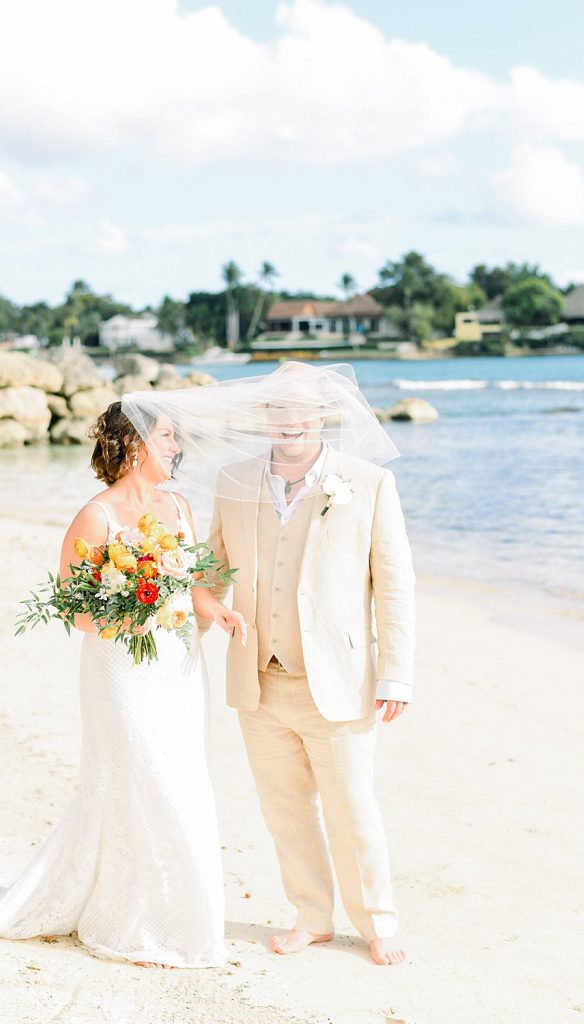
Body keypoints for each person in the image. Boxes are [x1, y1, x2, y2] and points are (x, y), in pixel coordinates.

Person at [122, 363, 416, 967]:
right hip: (258, 678)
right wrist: (166, 634)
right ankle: (312, 917)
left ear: (323, 415)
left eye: (300, 410)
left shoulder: (367, 483)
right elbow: (209, 572)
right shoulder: (233, 480)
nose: (289, 421)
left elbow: (393, 586)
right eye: (277, 410)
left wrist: (396, 673)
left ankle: (378, 921)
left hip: (340, 682)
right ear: (263, 417)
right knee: (284, 809)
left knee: (352, 808)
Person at [0, 402, 244, 969]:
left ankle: (176, 914)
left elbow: (190, 584)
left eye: (177, 438)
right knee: (144, 779)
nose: (176, 447)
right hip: (121, 671)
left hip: (179, 666)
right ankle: (136, 919)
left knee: (180, 777)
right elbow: (73, 608)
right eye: (167, 436)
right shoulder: (96, 516)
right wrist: (132, 611)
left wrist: (218, 609)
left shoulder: (179, 507)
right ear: (134, 442)